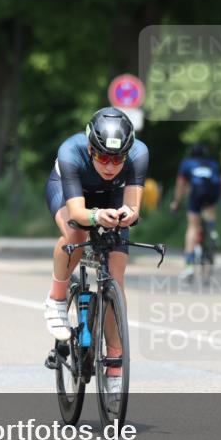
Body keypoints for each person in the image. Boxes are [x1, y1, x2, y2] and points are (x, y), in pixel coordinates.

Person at [43, 107, 147, 402]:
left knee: (116, 271)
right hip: (72, 194)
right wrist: (97, 215)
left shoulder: (139, 153)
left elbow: (133, 206)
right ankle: (57, 298)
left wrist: (127, 214)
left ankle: (115, 367)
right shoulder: (70, 151)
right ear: (90, 148)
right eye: (102, 157)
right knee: (75, 233)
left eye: (118, 158)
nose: (111, 165)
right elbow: (76, 212)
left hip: (112, 198)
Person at [170, 142, 221, 279]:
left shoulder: (187, 163)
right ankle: (213, 231)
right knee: (210, 206)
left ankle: (189, 266)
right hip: (213, 193)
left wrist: (176, 202)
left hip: (197, 193)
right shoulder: (213, 163)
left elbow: (181, 184)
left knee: (193, 227)